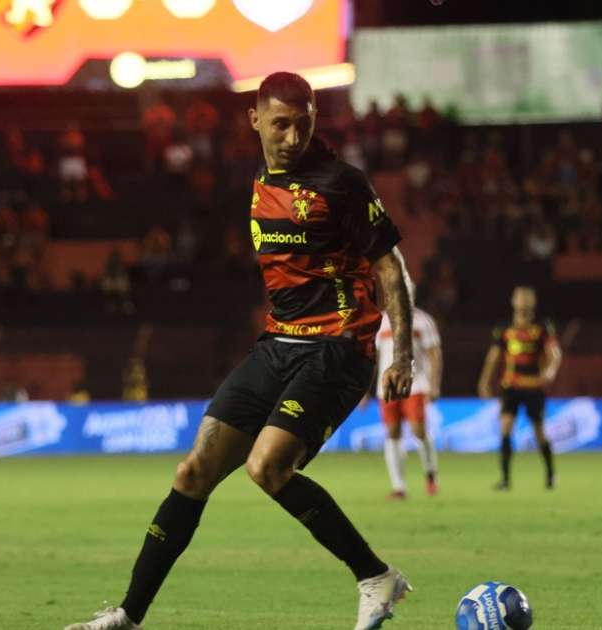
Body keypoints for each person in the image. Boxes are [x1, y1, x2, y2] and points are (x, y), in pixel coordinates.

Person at [65, 72, 415, 630]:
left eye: (303, 124)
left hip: (337, 347)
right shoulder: (259, 174)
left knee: (267, 466)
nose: (293, 136)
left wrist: (403, 356)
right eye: (280, 124)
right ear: (254, 120)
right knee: (192, 472)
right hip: (278, 344)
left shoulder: (341, 183)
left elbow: (389, 266)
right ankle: (128, 616)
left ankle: (375, 576)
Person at [477, 286, 562, 490]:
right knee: (505, 429)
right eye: (519, 298)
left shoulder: (543, 326)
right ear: (513, 301)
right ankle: (505, 479)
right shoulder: (504, 327)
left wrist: (550, 372)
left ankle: (550, 474)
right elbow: (494, 356)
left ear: (533, 302)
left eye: (526, 298)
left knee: (539, 431)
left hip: (534, 386)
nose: (522, 302)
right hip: (511, 386)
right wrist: (484, 381)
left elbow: (555, 353)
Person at [375, 293, 442, 500]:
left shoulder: (423, 321)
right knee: (392, 433)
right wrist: (365, 390)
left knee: (418, 430)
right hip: (387, 387)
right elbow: (375, 357)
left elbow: (434, 353)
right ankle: (399, 487)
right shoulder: (381, 322)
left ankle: (430, 473)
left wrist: (434, 384)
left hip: (416, 384)